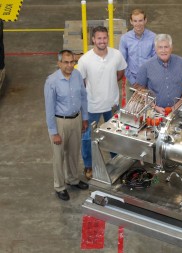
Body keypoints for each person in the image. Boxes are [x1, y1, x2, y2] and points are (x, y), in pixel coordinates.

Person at [77, 26, 127, 179]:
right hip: (92, 107)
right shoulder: (85, 60)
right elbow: (82, 82)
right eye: (99, 38)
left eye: (104, 38)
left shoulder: (116, 55)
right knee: (86, 138)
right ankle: (88, 167)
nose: (102, 41)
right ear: (93, 39)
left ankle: (117, 164)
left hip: (112, 106)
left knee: (114, 136)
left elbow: (120, 72)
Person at [44, 50, 89, 201]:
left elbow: (83, 96)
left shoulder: (77, 76)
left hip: (76, 119)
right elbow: (49, 109)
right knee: (59, 156)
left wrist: (84, 118)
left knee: (73, 152)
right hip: (60, 122)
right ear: (59, 63)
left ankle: (73, 179)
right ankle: (59, 186)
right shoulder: (52, 81)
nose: (69, 65)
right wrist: (54, 132)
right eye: (66, 62)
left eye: (72, 62)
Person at [135, 34, 182, 114]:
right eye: (160, 47)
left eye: (166, 47)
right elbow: (140, 90)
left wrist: (176, 106)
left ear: (171, 48)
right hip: (153, 111)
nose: (163, 50)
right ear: (155, 49)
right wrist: (154, 106)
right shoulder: (146, 66)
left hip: (178, 109)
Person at [119, 8, 156, 87]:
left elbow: (156, 60)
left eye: (140, 20)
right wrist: (133, 81)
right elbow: (123, 62)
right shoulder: (125, 38)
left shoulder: (153, 37)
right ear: (131, 22)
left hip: (149, 80)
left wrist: (148, 79)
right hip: (131, 80)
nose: (138, 24)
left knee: (149, 99)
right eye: (135, 21)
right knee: (130, 100)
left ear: (145, 20)